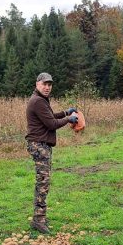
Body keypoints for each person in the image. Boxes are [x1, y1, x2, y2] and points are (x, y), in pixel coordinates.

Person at [25, 72, 78, 234]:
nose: (47, 87)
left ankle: (39, 216)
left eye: (49, 84)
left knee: (42, 181)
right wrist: (69, 119)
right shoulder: (38, 101)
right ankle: (38, 220)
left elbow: (50, 116)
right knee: (43, 182)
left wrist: (65, 113)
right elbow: (51, 124)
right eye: (44, 84)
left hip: (41, 145)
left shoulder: (40, 100)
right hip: (39, 145)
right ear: (37, 84)